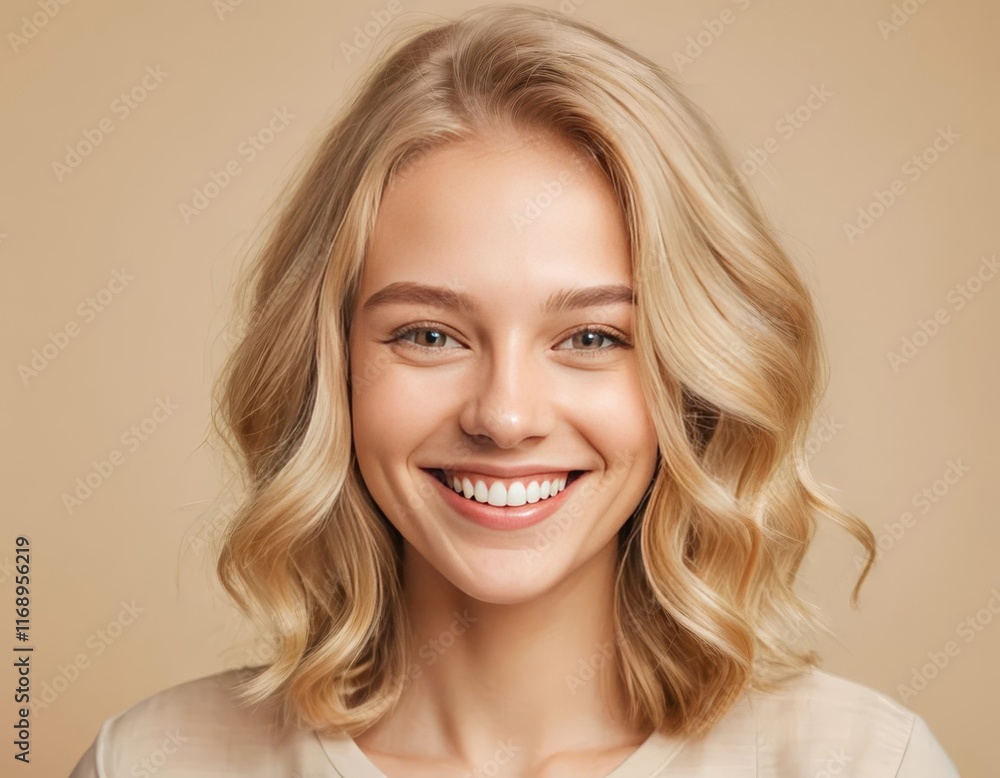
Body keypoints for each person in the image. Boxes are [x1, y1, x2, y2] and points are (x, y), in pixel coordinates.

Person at [69, 4, 959, 776]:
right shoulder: (150, 761)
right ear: (328, 364)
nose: (505, 416)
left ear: (691, 378)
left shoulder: (868, 764)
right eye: (429, 334)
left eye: (592, 338)